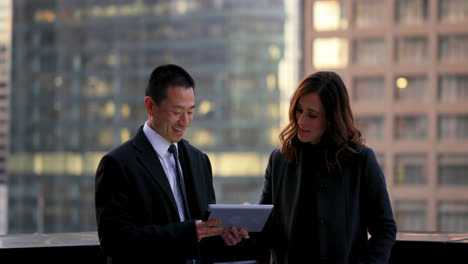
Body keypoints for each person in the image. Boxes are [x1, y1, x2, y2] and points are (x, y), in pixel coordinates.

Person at [95, 64, 246, 264]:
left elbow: (202, 235)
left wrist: (224, 235)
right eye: (177, 112)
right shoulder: (117, 164)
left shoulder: (199, 160)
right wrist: (188, 232)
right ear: (150, 106)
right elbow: (115, 242)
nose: (185, 121)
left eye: (190, 111)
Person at [251, 71, 397, 263]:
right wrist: (249, 222)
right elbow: (268, 232)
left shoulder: (361, 161)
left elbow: (384, 229)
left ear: (332, 119)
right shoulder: (279, 160)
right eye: (299, 110)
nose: (301, 121)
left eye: (312, 115)